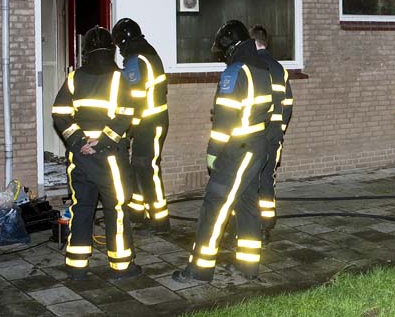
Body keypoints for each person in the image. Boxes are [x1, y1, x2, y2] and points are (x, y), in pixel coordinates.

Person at [172, 20, 273, 283]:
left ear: (230, 47)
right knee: (247, 204)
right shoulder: (261, 68)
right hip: (257, 144)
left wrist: (213, 152)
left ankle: (199, 269)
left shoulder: (234, 72)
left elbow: (224, 120)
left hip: (236, 149)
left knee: (215, 205)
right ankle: (248, 266)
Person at [51, 26, 140, 280]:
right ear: (111, 49)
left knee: (82, 207)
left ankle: (76, 265)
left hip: (80, 157)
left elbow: (59, 113)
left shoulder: (74, 77)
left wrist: (79, 140)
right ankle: (122, 266)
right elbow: (126, 115)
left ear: (87, 50)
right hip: (110, 156)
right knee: (116, 208)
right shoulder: (119, 78)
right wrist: (100, 142)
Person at [112, 18, 171, 234]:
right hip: (149, 123)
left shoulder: (137, 60)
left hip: (150, 124)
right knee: (138, 167)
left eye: (119, 44)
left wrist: (125, 128)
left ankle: (160, 222)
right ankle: (137, 213)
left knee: (148, 170)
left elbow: (133, 98)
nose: (119, 49)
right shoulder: (148, 54)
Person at [249, 24, 293, 238]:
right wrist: (280, 128)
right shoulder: (279, 68)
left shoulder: (250, 66)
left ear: (252, 42)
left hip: (255, 132)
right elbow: (288, 103)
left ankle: (250, 224)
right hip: (274, 132)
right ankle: (267, 222)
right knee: (267, 177)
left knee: (251, 178)